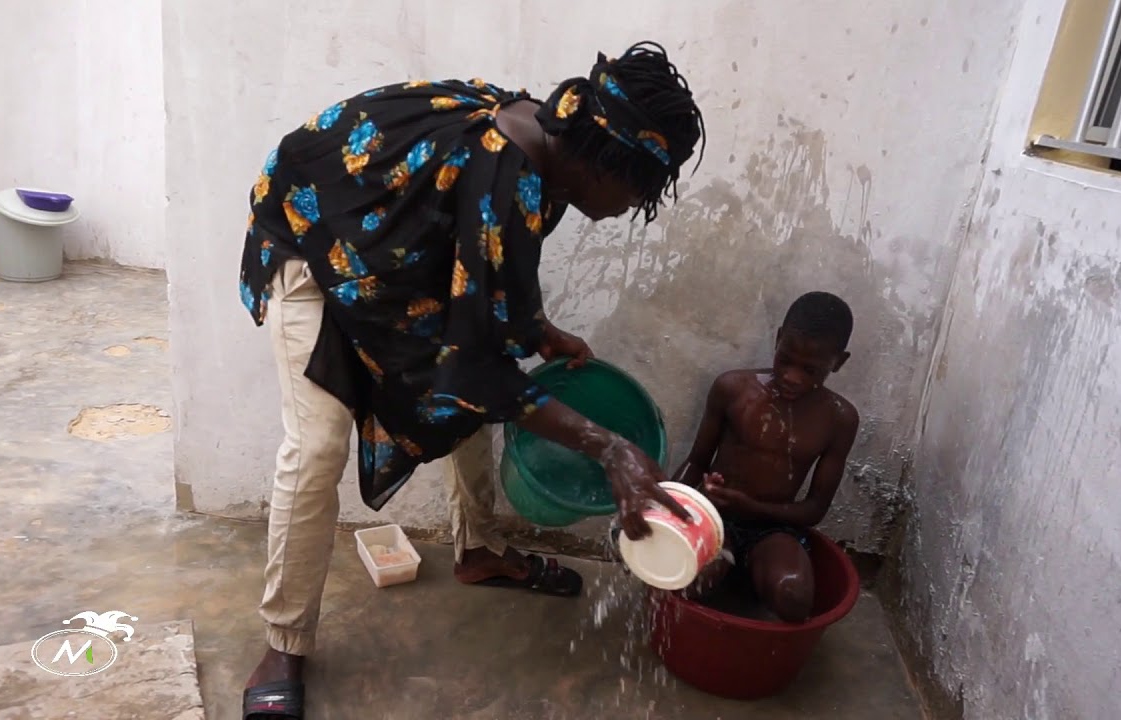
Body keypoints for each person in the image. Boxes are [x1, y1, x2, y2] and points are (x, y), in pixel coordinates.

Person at [238, 41, 706, 718]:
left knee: (468, 388)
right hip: (309, 237)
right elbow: (480, 363)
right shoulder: (505, 170)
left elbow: (481, 279)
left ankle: (480, 550)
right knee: (317, 447)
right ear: (603, 158)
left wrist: (537, 330)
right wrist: (609, 448)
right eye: (637, 189)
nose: (632, 205)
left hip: (385, 261)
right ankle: (283, 642)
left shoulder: (548, 152)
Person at [672, 292, 860, 623]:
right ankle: (725, 570)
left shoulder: (839, 419)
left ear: (838, 362)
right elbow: (697, 462)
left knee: (794, 599)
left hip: (774, 529)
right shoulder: (733, 388)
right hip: (715, 517)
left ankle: (750, 578)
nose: (792, 376)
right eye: (785, 359)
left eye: (810, 370)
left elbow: (815, 509)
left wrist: (753, 507)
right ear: (778, 339)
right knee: (687, 579)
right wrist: (664, 510)